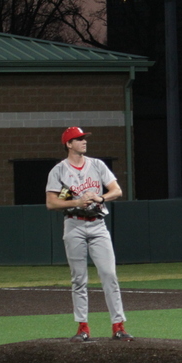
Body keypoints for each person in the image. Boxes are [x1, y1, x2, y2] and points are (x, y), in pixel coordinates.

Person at [45, 127, 134, 342]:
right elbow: (51, 203)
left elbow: (117, 190)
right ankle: (83, 327)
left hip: (97, 225)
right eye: (79, 139)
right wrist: (77, 201)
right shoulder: (59, 170)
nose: (84, 141)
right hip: (74, 224)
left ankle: (118, 326)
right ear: (68, 144)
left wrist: (101, 198)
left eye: (84, 138)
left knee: (109, 275)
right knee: (79, 279)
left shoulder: (97, 165)